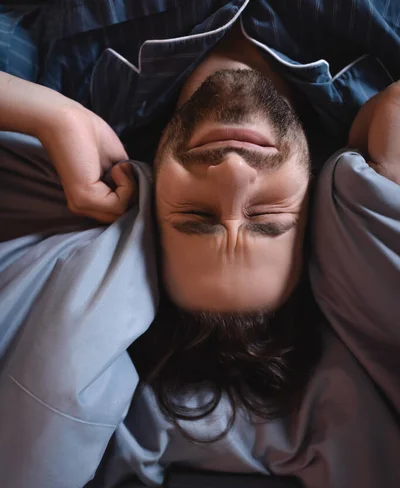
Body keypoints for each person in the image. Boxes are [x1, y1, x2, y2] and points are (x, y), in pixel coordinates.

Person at [0, 16, 398, 428]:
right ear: (315, 196)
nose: (232, 169)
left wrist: (51, 116)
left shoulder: (63, 80)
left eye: (196, 213)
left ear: (150, 199)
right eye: (266, 214)